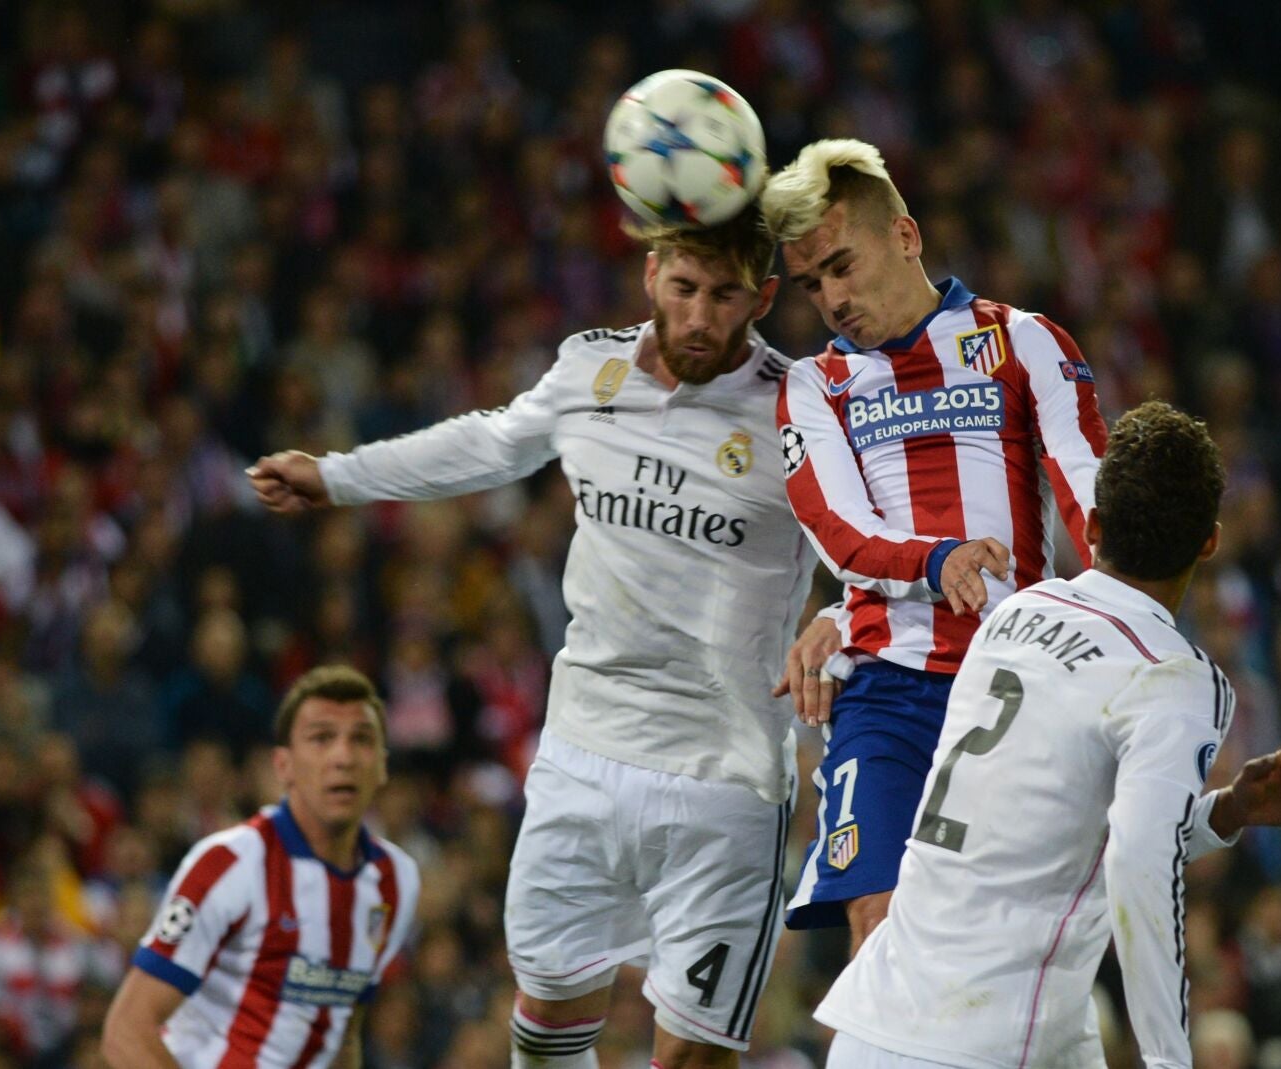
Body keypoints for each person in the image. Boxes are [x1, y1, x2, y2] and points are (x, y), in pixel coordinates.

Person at [246, 208, 837, 1069]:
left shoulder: (802, 407)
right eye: (684, 288)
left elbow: (866, 544)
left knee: (694, 1058)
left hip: (724, 776)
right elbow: (488, 443)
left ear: (765, 296)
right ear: (650, 277)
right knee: (549, 1023)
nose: (701, 316)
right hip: (582, 756)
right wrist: (338, 477)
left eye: (725, 295)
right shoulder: (587, 367)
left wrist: (839, 615)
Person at [814, 401, 1281, 1068]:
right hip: (989, 1040)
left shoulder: (1012, 614)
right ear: (1210, 540)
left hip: (880, 1020)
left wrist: (1225, 811)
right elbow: (1134, 863)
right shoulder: (1174, 676)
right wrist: (1169, 1058)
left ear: (1091, 523)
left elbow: (1062, 827)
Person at [762, 139, 1108, 947]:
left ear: (906, 236)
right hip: (887, 690)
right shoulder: (816, 385)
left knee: (1002, 943)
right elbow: (840, 534)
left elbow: (1091, 495)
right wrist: (935, 558)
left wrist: (1129, 610)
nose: (832, 299)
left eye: (843, 266)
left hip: (1019, 681)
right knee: (878, 923)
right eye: (813, 284)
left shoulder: (1022, 341)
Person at [101, 666, 420, 1069]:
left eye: (361, 739)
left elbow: (341, 1033)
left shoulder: (397, 881)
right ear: (282, 764)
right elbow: (126, 1032)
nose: (343, 757)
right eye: (321, 738)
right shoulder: (228, 864)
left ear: (382, 765)